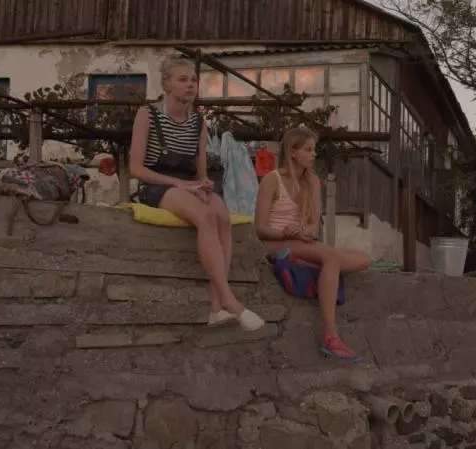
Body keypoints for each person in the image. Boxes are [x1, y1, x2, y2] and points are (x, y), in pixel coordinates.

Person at [129, 55, 264, 332]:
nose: (190, 84)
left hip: (187, 185)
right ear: (167, 84)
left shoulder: (198, 123)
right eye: (183, 79)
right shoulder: (148, 114)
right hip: (156, 185)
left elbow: (201, 174)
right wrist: (180, 185)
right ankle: (229, 300)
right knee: (205, 216)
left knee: (222, 216)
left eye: (193, 80)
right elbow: (136, 169)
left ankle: (216, 308)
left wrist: (204, 186)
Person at [254, 127, 370, 361]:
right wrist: (284, 232)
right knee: (331, 258)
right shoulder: (272, 180)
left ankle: (300, 261)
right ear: (293, 152)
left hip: (301, 242)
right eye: (308, 149)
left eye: (314, 149)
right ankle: (331, 336)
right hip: (275, 243)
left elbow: (314, 228)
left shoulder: (313, 182)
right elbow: (259, 228)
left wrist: (302, 233)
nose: (313, 154)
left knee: (364, 258)